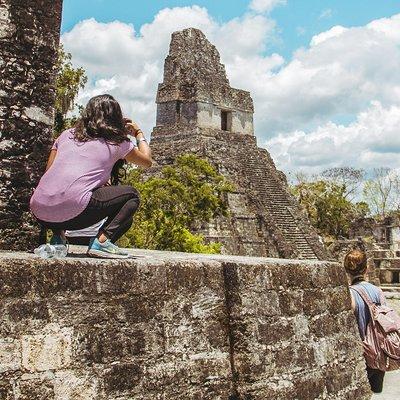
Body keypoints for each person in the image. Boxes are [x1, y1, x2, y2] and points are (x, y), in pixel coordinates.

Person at [30, 94, 152, 258]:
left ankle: (58, 238)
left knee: (60, 190)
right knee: (132, 195)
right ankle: (101, 243)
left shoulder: (66, 135)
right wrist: (138, 133)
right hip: (74, 212)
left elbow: (50, 174)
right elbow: (147, 161)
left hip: (40, 211)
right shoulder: (117, 142)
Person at [344, 249, 386, 393]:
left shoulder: (349, 294)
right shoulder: (378, 291)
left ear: (347, 270)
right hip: (378, 352)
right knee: (375, 393)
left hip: (361, 354)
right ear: (366, 269)